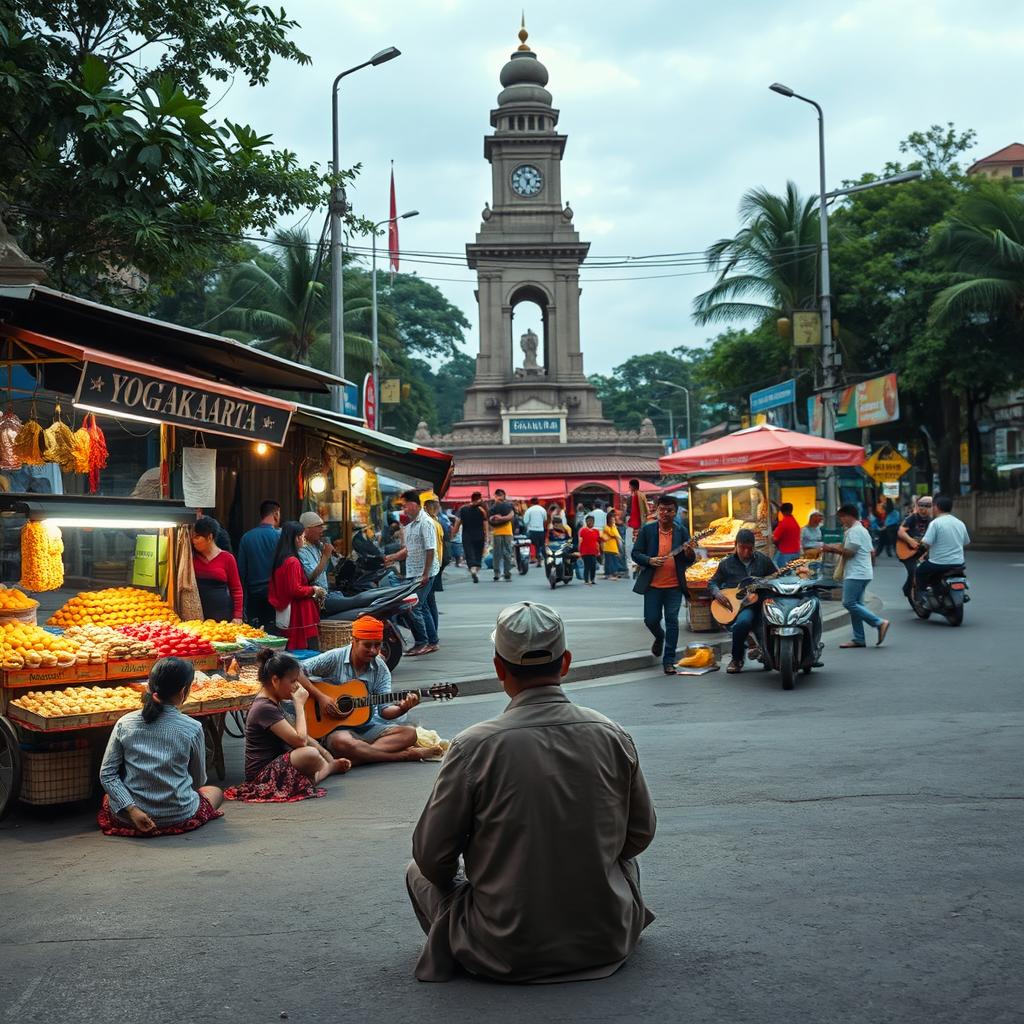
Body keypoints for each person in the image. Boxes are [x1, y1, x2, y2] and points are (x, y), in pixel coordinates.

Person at [406, 601, 656, 983]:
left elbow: (431, 856)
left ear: (498, 668)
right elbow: (639, 835)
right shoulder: (611, 733)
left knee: (417, 872)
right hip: (605, 940)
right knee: (623, 861)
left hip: (504, 948)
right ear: (566, 662)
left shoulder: (473, 746)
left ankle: (459, 941)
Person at [97, 656, 224, 837]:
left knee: (110, 797)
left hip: (131, 817)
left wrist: (133, 810)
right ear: (183, 691)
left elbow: (107, 775)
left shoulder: (125, 723)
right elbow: (198, 781)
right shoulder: (193, 728)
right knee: (215, 791)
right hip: (180, 815)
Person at [298, 615, 443, 765]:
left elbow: (384, 711)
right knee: (341, 742)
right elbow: (296, 670)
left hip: (369, 726)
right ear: (353, 641)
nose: (373, 651)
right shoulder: (335, 657)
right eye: (367, 645)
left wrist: (403, 708)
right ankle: (403, 755)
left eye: (377, 645)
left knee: (410, 734)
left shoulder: (381, 669)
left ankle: (359, 756)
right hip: (339, 730)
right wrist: (321, 697)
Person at [224, 649, 351, 802]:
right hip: (262, 776)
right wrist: (299, 705)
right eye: (292, 681)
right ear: (275, 680)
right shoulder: (264, 708)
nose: (296, 686)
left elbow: (305, 738)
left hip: (278, 764)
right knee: (310, 754)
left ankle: (325, 769)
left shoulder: (274, 701)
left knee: (314, 753)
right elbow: (300, 741)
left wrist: (327, 755)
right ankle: (326, 771)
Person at [631, 494, 697, 675]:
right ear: (657, 511)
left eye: (669, 510)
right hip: (652, 585)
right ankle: (659, 636)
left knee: (672, 621)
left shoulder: (682, 531)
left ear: (675, 513)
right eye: (662, 509)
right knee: (650, 620)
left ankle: (669, 661)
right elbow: (635, 553)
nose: (665, 513)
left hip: (674, 586)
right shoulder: (648, 530)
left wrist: (689, 552)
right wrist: (649, 560)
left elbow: (689, 560)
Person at [823, 504, 890, 649]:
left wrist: (830, 549)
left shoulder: (855, 531)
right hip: (863, 572)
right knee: (856, 606)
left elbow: (850, 553)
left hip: (856, 574)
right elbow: (870, 552)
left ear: (847, 516)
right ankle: (859, 639)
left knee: (849, 603)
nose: (841, 521)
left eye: (841, 518)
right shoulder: (861, 530)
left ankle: (879, 622)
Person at [708, 530, 776, 674]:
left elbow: (776, 578)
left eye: (749, 548)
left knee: (770, 630)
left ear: (754, 547)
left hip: (762, 603)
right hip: (741, 607)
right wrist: (717, 593)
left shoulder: (763, 560)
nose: (745, 551)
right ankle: (737, 659)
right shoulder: (726, 564)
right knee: (743, 623)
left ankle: (767, 654)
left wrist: (768, 586)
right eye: (742, 547)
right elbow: (712, 582)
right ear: (735, 546)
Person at [390, 490, 439, 657]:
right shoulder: (410, 525)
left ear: (414, 504)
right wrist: (390, 558)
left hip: (424, 572)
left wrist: (425, 574)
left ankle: (422, 642)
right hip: (414, 572)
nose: (404, 509)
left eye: (405, 505)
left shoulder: (425, 522)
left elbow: (430, 549)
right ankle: (432, 642)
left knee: (414, 607)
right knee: (423, 607)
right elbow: (408, 550)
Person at [268, 521, 326, 650]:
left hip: (290, 609)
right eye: (303, 537)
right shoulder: (292, 561)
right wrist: (313, 589)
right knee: (303, 648)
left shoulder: (282, 559)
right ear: (297, 538)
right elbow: (295, 589)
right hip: (300, 612)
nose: (304, 541)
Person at [236, 500, 281, 629]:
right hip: (275, 595)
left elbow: (241, 572)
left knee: (254, 634)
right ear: (276, 514)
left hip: (253, 596)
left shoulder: (247, 537)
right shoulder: (280, 537)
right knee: (274, 635)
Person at [191, 515, 243, 623]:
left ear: (209, 537)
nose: (193, 541)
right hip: (197, 616)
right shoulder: (191, 558)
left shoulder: (227, 558)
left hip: (223, 614)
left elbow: (236, 589)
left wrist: (238, 616)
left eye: (197, 537)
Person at [915, 495, 970, 592]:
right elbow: (965, 542)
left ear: (936, 507)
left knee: (919, 571)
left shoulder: (935, 523)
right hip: (958, 563)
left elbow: (925, 544)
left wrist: (917, 552)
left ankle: (922, 595)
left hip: (939, 563)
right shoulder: (960, 523)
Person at [297, 511, 348, 615]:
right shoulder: (301, 550)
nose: (322, 530)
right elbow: (310, 577)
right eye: (319, 527)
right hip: (315, 600)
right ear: (306, 530)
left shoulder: (317, 545)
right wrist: (325, 556)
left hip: (325, 594)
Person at [423, 495, 447, 650]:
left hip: (432, 566)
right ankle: (433, 634)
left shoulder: (430, 523)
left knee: (425, 603)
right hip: (436, 565)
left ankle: (432, 637)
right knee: (430, 602)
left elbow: (431, 549)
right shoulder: (437, 522)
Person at [897, 495, 933, 599]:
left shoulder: (933, 521)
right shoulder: (912, 518)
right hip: (907, 550)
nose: (923, 508)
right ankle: (909, 589)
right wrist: (910, 540)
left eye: (927, 505)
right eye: (921, 505)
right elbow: (901, 531)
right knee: (913, 571)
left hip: (923, 550)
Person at [456, 491, 488, 583]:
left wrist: (453, 533)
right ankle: (476, 571)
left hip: (467, 536)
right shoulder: (482, 510)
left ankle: (472, 569)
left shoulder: (463, 509)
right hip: (479, 535)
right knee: (478, 553)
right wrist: (487, 537)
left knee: (469, 553)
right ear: (480, 499)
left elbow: (458, 523)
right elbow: (485, 524)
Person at [488, 488, 515, 582]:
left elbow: (491, 520)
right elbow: (511, 516)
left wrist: (499, 518)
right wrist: (502, 518)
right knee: (506, 553)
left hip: (499, 532)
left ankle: (498, 573)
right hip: (505, 532)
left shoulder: (493, 507)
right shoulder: (508, 506)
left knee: (497, 554)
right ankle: (506, 573)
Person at [625, 479, 650, 573]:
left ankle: (640, 564)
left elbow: (640, 510)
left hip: (637, 523)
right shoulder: (640, 495)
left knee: (637, 544)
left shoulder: (636, 495)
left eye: (630, 486)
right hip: (638, 523)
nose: (629, 488)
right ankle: (640, 564)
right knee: (638, 543)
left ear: (633, 486)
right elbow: (646, 510)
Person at [772, 502, 801, 568]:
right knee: (794, 572)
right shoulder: (795, 522)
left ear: (782, 512)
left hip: (786, 553)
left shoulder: (784, 523)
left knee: (777, 567)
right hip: (796, 552)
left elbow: (775, 538)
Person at [522, 497, 548, 567]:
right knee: (541, 545)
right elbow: (545, 520)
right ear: (538, 502)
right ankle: (545, 559)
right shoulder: (542, 509)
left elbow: (525, 521)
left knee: (533, 545)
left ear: (531, 503)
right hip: (541, 530)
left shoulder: (529, 510)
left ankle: (534, 558)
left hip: (532, 531)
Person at [602, 508, 624, 580]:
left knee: (613, 561)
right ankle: (609, 574)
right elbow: (614, 534)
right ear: (608, 520)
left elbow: (617, 536)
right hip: (608, 547)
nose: (614, 520)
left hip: (614, 547)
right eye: (612, 519)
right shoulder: (607, 527)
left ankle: (611, 573)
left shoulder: (613, 527)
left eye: (614, 519)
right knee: (609, 562)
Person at [578, 515, 601, 585]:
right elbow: (580, 541)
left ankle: (592, 579)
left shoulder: (596, 531)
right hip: (585, 551)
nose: (590, 522)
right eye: (589, 521)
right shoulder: (583, 530)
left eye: (592, 521)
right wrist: (579, 551)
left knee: (593, 565)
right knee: (587, 566)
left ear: (594, 522)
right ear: (586, 522)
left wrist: (598, 551)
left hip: (593, 551)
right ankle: (586, 580)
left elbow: (597, 542)